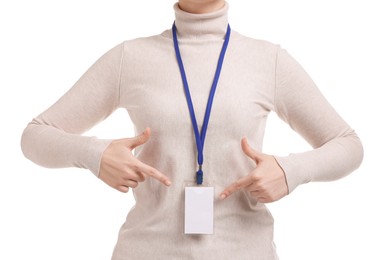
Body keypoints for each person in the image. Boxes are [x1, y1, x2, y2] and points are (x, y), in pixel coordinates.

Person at [21, 0, 363, 259]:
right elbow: (36, 135)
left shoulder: (267, 60)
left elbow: (348, 144)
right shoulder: (130, 57)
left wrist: (291, 170)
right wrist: (95, 155)